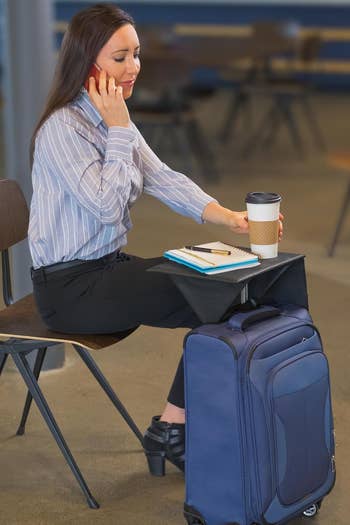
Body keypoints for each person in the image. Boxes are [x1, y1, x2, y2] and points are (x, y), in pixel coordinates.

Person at [29, 3, 283, 477]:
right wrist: (120, 129)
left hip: (107, 268)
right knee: (218, 296)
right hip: (70, 290)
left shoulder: (112, 115)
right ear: (88, 63)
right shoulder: (64, 129)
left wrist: (227, 217)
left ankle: (173, 426)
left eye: (136, 55)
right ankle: (174, 431)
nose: (133, 68)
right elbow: (105, 205)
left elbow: (163, 178)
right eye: (120, 57)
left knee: (231, 298)